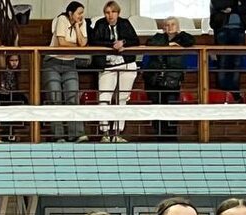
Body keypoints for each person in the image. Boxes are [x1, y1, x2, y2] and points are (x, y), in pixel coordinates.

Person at [89, 2, 139, 142]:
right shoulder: (100, 24)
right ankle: (105, 132)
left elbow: (135, 40)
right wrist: (112, 45)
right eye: (107, 12)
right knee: (104, 97)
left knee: (122, 98)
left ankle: (117, 132)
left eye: (113, 12)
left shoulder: (125, 23)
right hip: (107, 66)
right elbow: (94, 41)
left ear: (118, 13)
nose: (110, 15)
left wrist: (123, 42)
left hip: (126, 64)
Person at [45, 2, 90, 142]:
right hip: (53, 63)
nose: (81, 16)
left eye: (82, 13)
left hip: (70, 63)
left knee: (72, 97)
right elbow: (62, 43)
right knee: (55, 98)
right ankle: (58, 136)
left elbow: (83, 43)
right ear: (71, 13)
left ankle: (76, 134)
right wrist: (77, 46)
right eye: (79, 13)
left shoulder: (82, 23)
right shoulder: (62, 19)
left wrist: (77, 26)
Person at [144, 18, 195, 140]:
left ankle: (171, 137)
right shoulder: (158, 37)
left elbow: (191, 41)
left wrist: (180, 34)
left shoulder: (182, 38)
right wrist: (169, 45)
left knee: (171, 107)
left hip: (172, 80)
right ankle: (159, 136)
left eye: (173, 24)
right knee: (157, 108)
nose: (170, 27)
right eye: (167, 25)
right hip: (154, 79)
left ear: (178, 26)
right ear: (163, 28)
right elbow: (150, 43)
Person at [211, 0, 246, 99]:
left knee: (237, 63)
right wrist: (237, 4)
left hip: (239, 31)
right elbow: (218, 4)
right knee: (223, 62)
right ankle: (223, 94)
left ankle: (234, 93)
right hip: (222, 30)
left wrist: (231, 8)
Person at [0, 52, 28, 142]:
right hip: (4, 96)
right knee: (7, 115)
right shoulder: (4, 69)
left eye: (16, 60)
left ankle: (12, 134)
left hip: (14, 95)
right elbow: (1, 59)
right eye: (12, 60)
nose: (14, 63)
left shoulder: (18, 71)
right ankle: (7, 135)